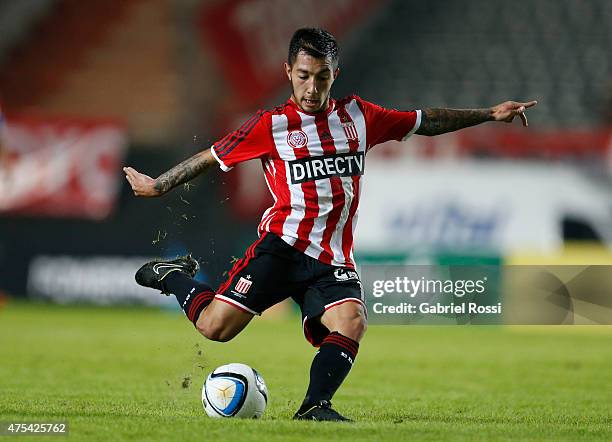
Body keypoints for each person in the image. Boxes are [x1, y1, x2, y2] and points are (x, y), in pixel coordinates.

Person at [124, 28, 536, 421]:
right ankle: (172, 275)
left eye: (322, 78)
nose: (312, 88)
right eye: (303, 76)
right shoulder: (271, 125)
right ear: (289, 72)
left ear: (334, 75)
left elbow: (425, 120)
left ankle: (314, 406)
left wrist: (489, 114)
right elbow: (210, 157)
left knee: (352, 320)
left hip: (333, 256)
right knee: (215, 328)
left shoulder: (360, 116)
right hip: (281, 247)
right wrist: (159, 185)